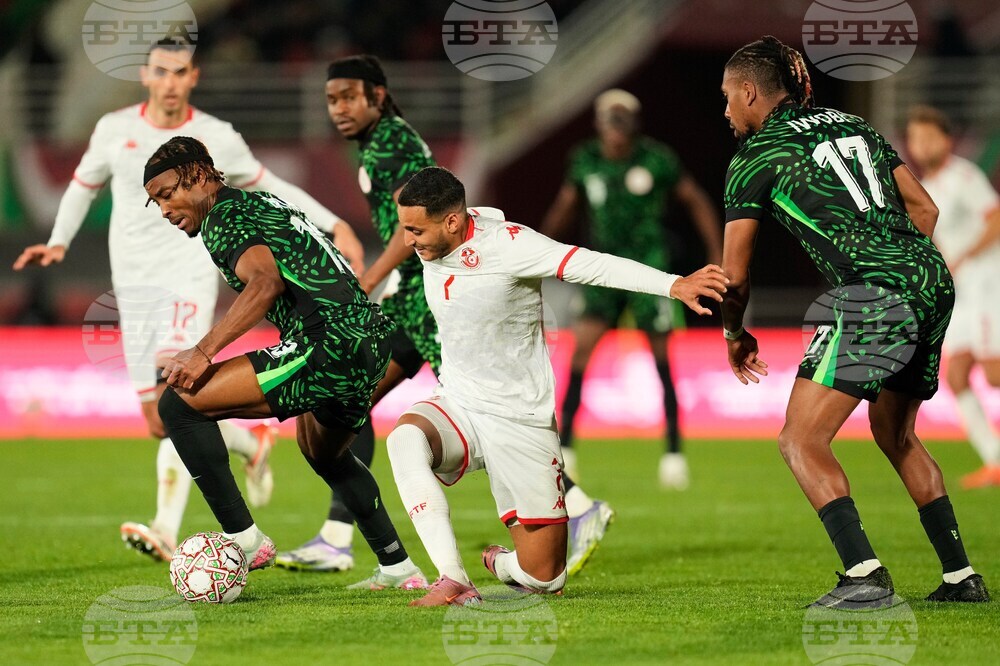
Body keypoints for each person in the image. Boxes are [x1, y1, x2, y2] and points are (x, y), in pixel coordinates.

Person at [13, 38, 365, 562]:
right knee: (158, 420)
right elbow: (83, 186)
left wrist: (333, 222)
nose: (171, 81)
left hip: (186, 278)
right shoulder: (115, 129)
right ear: (145, 75)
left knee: (174, 389)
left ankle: (165, 526)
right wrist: (59, 239)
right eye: (162, 71)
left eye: (180, 72)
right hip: (133, 287)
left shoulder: (215, 137)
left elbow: (273, 185)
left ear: (193, 77)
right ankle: (250, 442)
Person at [277, 55, 614, 578]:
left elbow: (409, 226)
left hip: (428, 304)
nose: (337, 108)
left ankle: (576, 504)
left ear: (378, 96)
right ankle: (339, 536)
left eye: (348, 96)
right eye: (330, 99)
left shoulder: (393, 143)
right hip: (409, 304)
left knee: (441, 404)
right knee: (350, 398)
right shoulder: (377, 144)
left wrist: (366, 282)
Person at [719, 36, 988, 604]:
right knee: (896, 434)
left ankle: (864, 576)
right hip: (931, 279)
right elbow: (926, 209)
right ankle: (961, 578)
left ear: (750, 93)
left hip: (873, 294)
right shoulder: (851, 124)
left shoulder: (755, 158)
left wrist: (734, 334)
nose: (724, 111)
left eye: (727, 97)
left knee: (800, 441)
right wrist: (905, 271)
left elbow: (735, 276)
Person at [385, 166, 727, 606]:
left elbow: (593, 265)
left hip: (519, 417)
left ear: (452, 221)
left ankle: (503, 563)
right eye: (405, 229)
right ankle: (452, 578)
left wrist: (673, 284)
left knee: (543, 579)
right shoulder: (433, 241)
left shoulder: (512, 246)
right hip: (462, 402)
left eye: (415, 230)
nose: (408, 241)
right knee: (405, 440)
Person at [142, 135, 426, 588]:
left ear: (197, 174)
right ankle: (398, 567)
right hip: (369, 340)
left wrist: (203, 351)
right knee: (324, 453)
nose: (164, 209)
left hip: (326, 340)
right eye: (155, 202)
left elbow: (264, 284)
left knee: (179, 404)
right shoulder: (260, 203)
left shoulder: (223, 216)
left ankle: (245, 540)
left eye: (166, 193)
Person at [541, 89, 723, 489]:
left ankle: (674, 454)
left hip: (649, 271)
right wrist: (536, 252)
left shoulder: (656, 159)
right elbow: (565, 207)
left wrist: (715, 251)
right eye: (610, 120)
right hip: (601, 270)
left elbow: (695, 200)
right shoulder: (585, 160)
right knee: (580, 355)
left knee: (662, 362)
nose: (616, 130)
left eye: (623, 121)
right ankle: (566, 449)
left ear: (634, 124)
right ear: (599, 123)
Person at [906, 105, 1000, 489]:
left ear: (946, 140)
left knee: (994, 375)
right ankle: (995, 461)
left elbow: (995, 219)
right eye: (915, 137)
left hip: (987, 285)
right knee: (957, 374)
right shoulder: (926, 186)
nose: (921, 144)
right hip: (963, 294)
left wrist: (963, 256)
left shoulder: (964, 175)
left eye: (929, 136)